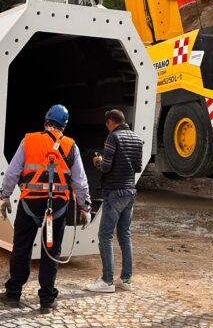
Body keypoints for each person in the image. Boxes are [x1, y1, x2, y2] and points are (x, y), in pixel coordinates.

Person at [0, 104, 92, 314]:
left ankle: (13, 293)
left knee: (21, 247)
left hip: (30, 204)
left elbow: (13, 171)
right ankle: (47, 300)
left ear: (46, 122)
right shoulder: (71, 145)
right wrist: (85, 207)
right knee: (51, 252)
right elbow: (80, 181)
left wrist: (4, 196)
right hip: (56, 209)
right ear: (64, 126)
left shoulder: (29, 140)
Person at [86, 109, 143, 293]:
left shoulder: (113, 138)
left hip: (115, 192)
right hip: (130, 192)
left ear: (111, 122)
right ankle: (126, 280)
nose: (107, 128)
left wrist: (97, 160)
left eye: (107, 125)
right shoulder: (136, 138)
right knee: (125, 235)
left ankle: (107, 281)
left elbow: (105, 167)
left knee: (105, 236)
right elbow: (138, 166)